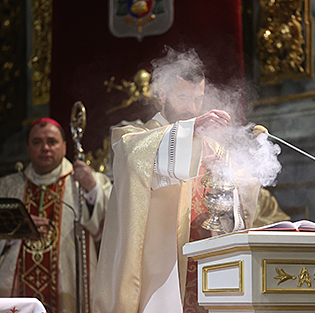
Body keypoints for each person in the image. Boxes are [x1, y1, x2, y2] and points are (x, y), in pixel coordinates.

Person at [92, 50, 262, 313]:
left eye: (198, 99)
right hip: (159, 278)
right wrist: (189, 133)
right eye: (183, 97)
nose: (193, 109)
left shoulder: (213, 149)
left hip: (208, 272)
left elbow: (241, 205)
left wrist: (229, 175)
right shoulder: (132, 138)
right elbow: (134, 156)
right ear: (162, 95)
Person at [0, 118, 112, 313]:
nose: (45, 148)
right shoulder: (4, 188)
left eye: (52, 142)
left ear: (64, 147)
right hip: (14, 288)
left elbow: (114, 229)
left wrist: (93, 189)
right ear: (28, 148)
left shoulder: (84, 182)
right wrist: (13, 232)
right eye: (37, 142)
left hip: (70, 290)